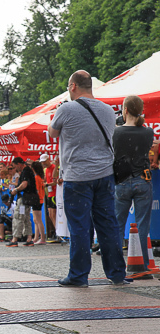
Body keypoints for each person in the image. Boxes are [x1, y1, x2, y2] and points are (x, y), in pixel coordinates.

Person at [49, 70, 127, 287]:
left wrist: (53, 118)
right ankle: (117, 274)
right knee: (109, 225)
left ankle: (78, 276)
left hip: (77, 177)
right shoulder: (108, 110)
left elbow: (52, 134)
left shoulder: (66, 108)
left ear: (73, 86)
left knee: (80, 227)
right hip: (105, 174)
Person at [113, 95, 154, 277]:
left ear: (125, 110)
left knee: (117, 225)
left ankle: (116, 266)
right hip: (142, 180)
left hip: (121, 181)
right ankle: (143, 265)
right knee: (143, 225)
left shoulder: (116, 132)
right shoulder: (148, 132)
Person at [7, 157, 36, 247]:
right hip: (28, 199)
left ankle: (15, 239)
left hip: (23, 198)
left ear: (19, 164)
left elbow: (24, 184)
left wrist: (16, 189)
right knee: (26, 218)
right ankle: (29, 239)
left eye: (14, 166)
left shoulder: (25, 171)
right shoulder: (28, 171)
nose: (15, 168)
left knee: (18, 217)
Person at [40, 153, 57, 238]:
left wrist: (46, 185)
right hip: (49, 194)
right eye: (42, 162)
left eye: (44, 161)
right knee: (50, 215)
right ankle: (56, 230)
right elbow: (45, 180)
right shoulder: (46, 169)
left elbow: (55, 182)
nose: (43, 163)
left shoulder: (54, 167)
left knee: (54, 214)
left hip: (54, 193)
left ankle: (58, 232)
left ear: (48, 159)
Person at [31, 161, 46, 245]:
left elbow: (36, 190)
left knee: (38, 220)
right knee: (36, 219)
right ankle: (36, 237)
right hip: (39, 199)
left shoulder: (36, 178)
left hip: (37, 199)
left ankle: (42, 238)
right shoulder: (39, 177)